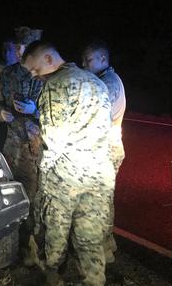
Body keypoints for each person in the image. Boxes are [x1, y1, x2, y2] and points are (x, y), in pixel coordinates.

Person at [22, 41, 114, 286]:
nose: (33, 75)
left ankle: (53, 273)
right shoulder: (96, 82)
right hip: (99, 173)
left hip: (66, 176)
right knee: (91, 235)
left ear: (49, 59)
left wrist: (44, 174)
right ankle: (94, 279)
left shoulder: (55, 85)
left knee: (56, 230)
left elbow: (54, 139)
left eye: (34, 69)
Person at [0, 27, 43, 264]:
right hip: (11, 147)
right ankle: (16, 242)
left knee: (37, 197)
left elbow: (59, 114)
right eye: (18, 47)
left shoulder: (46, 76)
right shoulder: (7, 75)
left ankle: (34, 244)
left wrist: (35, 112)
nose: (19, 51)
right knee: (12, 194)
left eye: (25, 47)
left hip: (38, 149)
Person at [82, 40, 126, 263]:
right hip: (107, 146)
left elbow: (95, 119)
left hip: (105, 149)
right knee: (104, 200)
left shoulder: (107, 84)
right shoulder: (104, 80)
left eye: (88, 59)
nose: (83, 64)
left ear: (103, 59)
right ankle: (108, 244)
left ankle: (103, 252)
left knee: (100, 201)